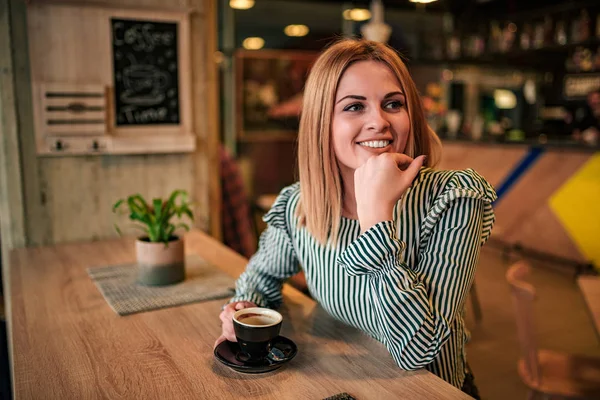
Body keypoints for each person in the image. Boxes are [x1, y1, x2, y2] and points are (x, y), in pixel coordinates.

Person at [215, 39, 496, 399]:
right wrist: (245, 308)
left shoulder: (453, 198)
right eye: (354, 107)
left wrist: (375, 218)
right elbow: (261, 277)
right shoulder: (300, 205)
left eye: (393, 104)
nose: (378, 122)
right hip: (344, 382)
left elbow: (419, 350)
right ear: (322, 124)